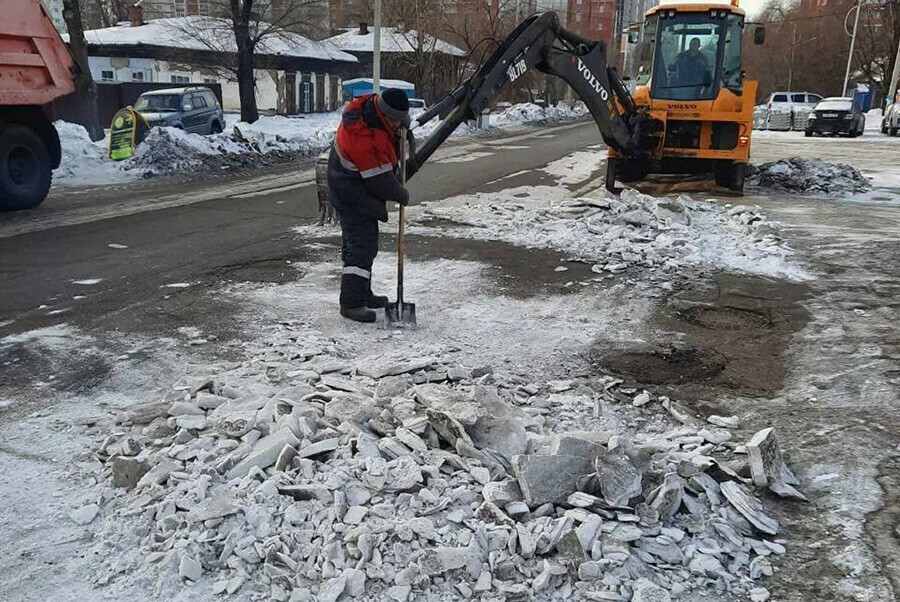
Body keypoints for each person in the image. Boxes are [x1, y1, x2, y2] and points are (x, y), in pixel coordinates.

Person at [327, 88, 412, 323]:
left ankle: (363, 293)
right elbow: (380, 181)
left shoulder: (375, 110)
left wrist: (403, 125)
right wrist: (401, 194)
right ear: (385, 115)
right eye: (395, 121)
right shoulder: (362, 138)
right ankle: (351, 303)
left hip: (356, 187)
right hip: (350, 191)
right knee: (361, 247)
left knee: (365, 244)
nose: (397, 125)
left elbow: (396, 122)